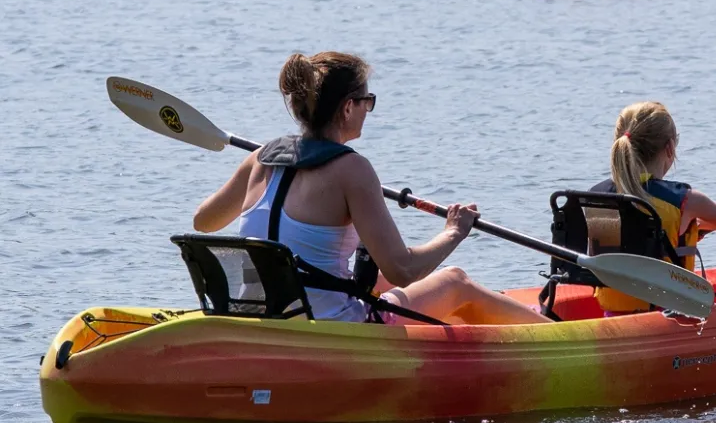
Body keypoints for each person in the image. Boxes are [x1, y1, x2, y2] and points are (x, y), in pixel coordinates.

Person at [193, 51, 548, 326]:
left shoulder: (260, 159)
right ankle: (562, 337)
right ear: (348, 107)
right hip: (331, 329)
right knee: (455, 282)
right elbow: (404, 270)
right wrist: (455, 231)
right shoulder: (353, 169)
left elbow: (204, 222)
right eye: (368, 101)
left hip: (260, 317)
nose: (369, 110)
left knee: (373, 279)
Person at [590, 101, 716, 315]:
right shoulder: (684, 200)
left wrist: (683, 229)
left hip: (614, 316)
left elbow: (630, 240)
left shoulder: (596, 196)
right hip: (670, 316)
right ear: (670, 148)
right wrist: (695, 223)